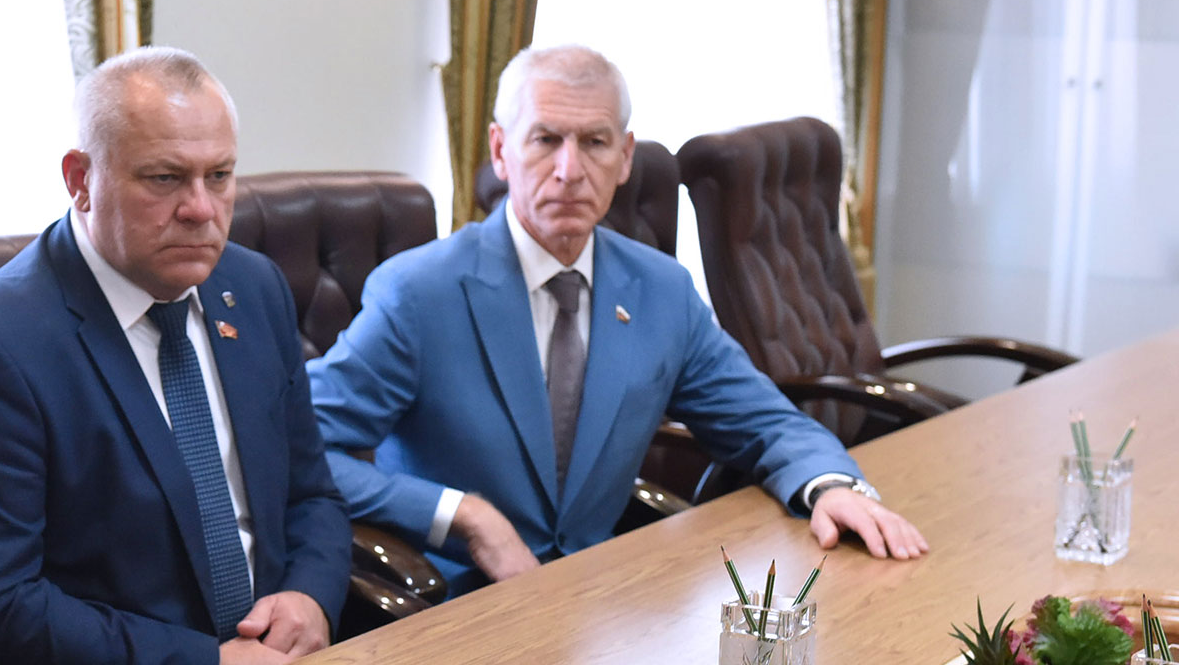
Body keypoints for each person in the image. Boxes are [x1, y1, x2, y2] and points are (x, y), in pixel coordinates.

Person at [307, 45, 927, 592]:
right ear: (500, 150)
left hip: (600, 604)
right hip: (457, 609)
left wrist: (831, 486)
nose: (570, 171)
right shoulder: (421, 292)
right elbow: (305, 446)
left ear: (625, 157)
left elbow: (764, 422)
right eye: (545, 140)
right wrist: (460, 515)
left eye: (595, 143)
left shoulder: (661, 290)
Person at [0, 47, 350, 665]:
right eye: (165, 179)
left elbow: (312, 492)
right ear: (80, 180)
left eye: (220, 176)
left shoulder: (252, 287)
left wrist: (310, 598)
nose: (200, 209)